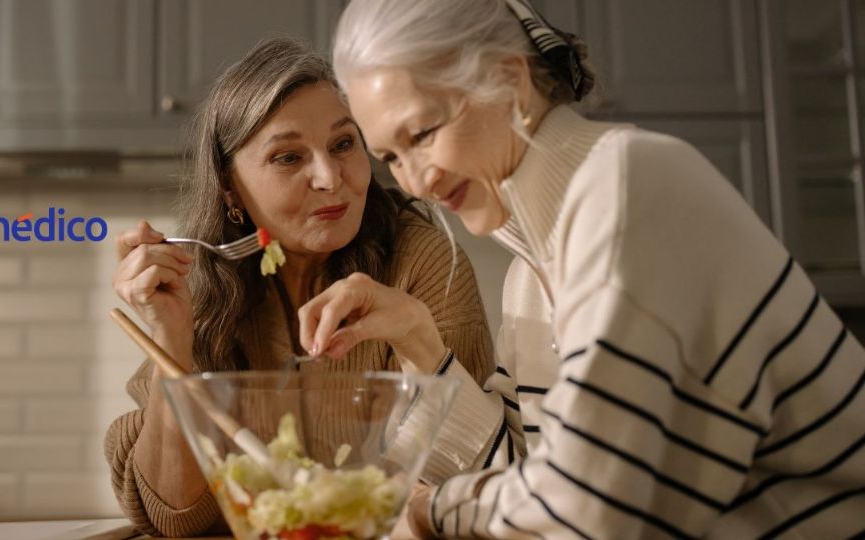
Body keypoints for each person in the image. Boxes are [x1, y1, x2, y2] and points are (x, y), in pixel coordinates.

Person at [297, 0, 865, 537]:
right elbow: (530, 477)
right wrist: (420, 339)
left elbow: (588, 509)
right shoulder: (532, 272)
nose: (416, 181)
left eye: (422, 134)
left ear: (510, 81)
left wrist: (427, 512)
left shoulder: (628, 185)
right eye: (393, 158)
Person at [104, 37, 503, 538]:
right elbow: (174, 514)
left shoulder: (423, 262)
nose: (330, 178)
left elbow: (463, 480)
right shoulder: (199, 284)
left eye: (343, 144)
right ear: (231, 188)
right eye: (288, 158)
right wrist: (172, 336)